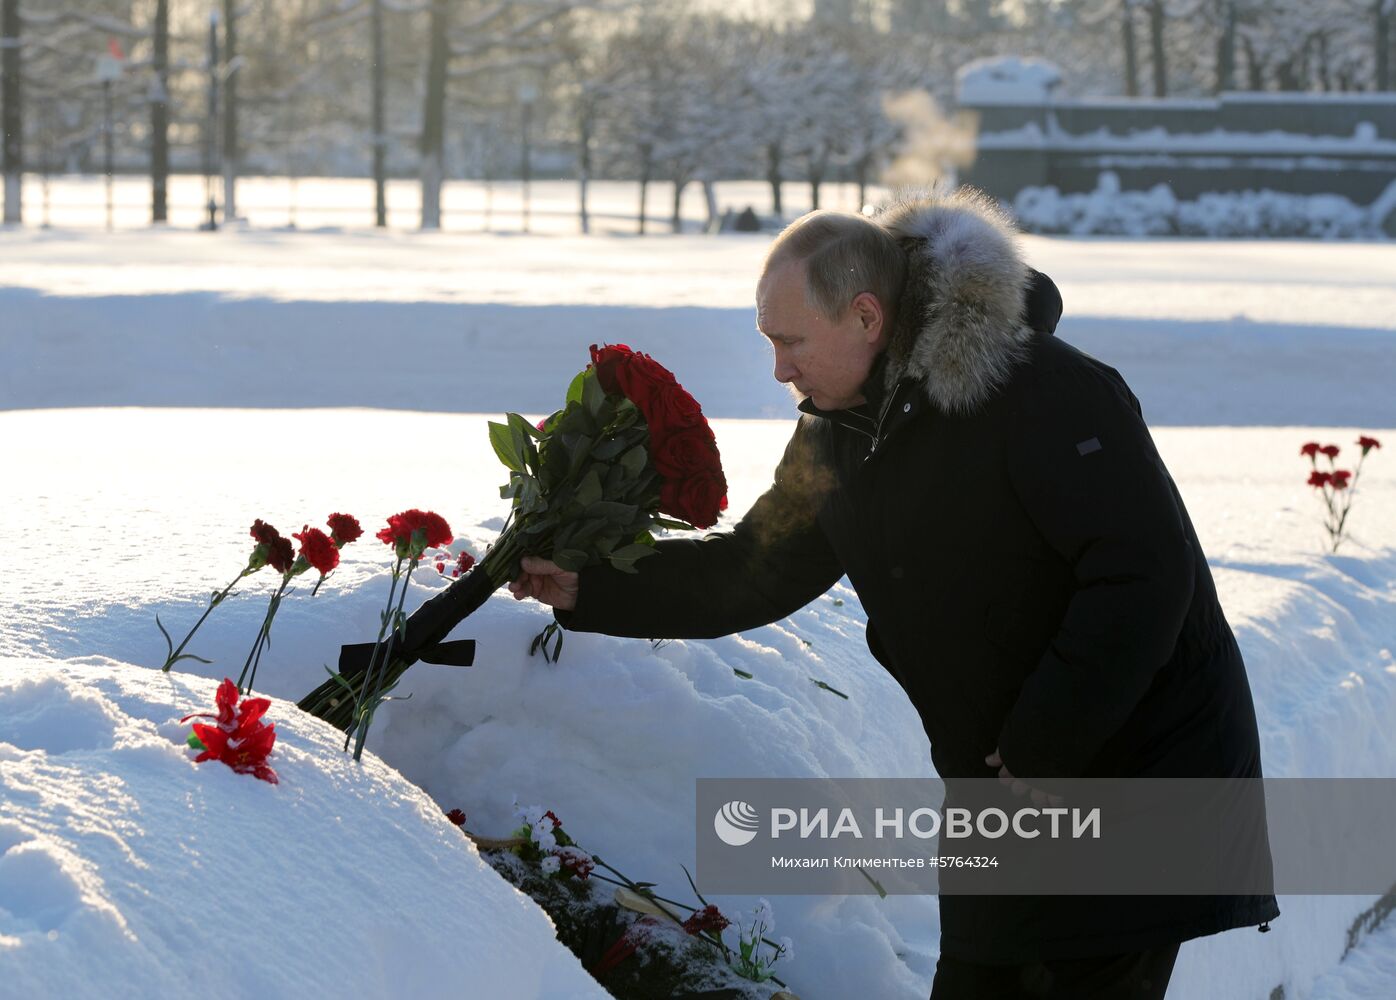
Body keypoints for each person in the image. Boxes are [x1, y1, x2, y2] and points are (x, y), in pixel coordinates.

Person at [508, 189, 1279, 999]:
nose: (780, 368)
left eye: (791, 341)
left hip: (1133, 768)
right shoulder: (838, 428)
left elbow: (1144, 572)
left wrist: (1047, 738)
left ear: (867, 318)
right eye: (769, 342)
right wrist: (589, 588)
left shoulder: (1043, 389)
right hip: (1007, 782)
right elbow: (756, 567)